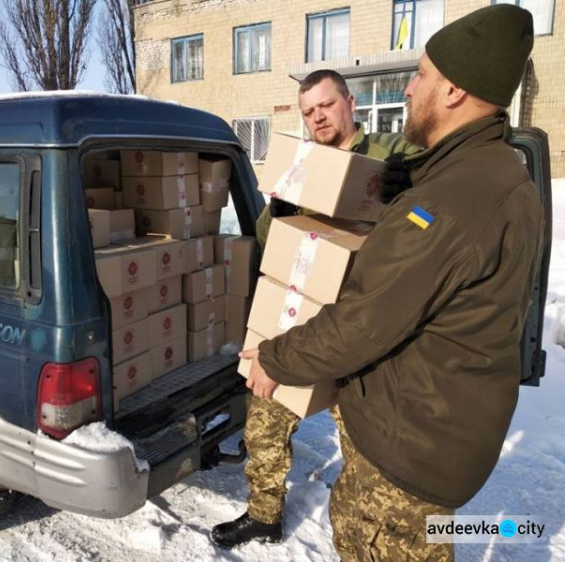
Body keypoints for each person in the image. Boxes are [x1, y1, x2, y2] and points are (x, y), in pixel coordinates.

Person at [241, 5, 542, 560]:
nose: (408, 88)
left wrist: (274, 359)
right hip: (415, 415)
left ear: (453, 91)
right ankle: (262, 509)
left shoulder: (444, 199)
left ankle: (518, 533)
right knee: (390, 527)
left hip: (408, 444)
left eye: (421, 75)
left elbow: (365, 319)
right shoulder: (490, 173)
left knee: (393, 538)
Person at [211, 69, 418, 549]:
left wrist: (409, 190)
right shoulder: (302, 165)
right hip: (301, 317)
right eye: (308, 112)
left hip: (361, 326)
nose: (317, 117)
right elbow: (268, 242)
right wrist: (279, 210)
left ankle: (368, 536)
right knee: (264, 417)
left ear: (349, 102)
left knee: (365, 445)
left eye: (325, 105)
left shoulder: (389, 155)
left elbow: (429, 223)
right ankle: (264, 514)